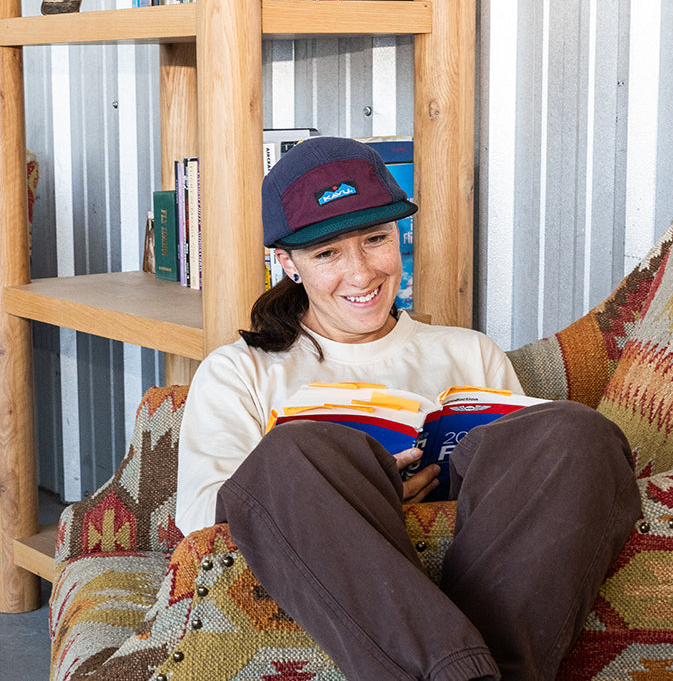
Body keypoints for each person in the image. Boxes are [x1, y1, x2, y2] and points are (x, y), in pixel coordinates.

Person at [173, 137, 640, 680]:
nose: (361, 273)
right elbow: (201, 516)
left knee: (578, 432)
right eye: (327, 253)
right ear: (288, 263)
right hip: (332, 581)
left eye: (375, 240)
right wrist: (356, 491)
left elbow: (535, 498)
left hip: (482, 576)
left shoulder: (470, 353)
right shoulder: (240, 370)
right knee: (293, 453)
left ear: (399, 237)